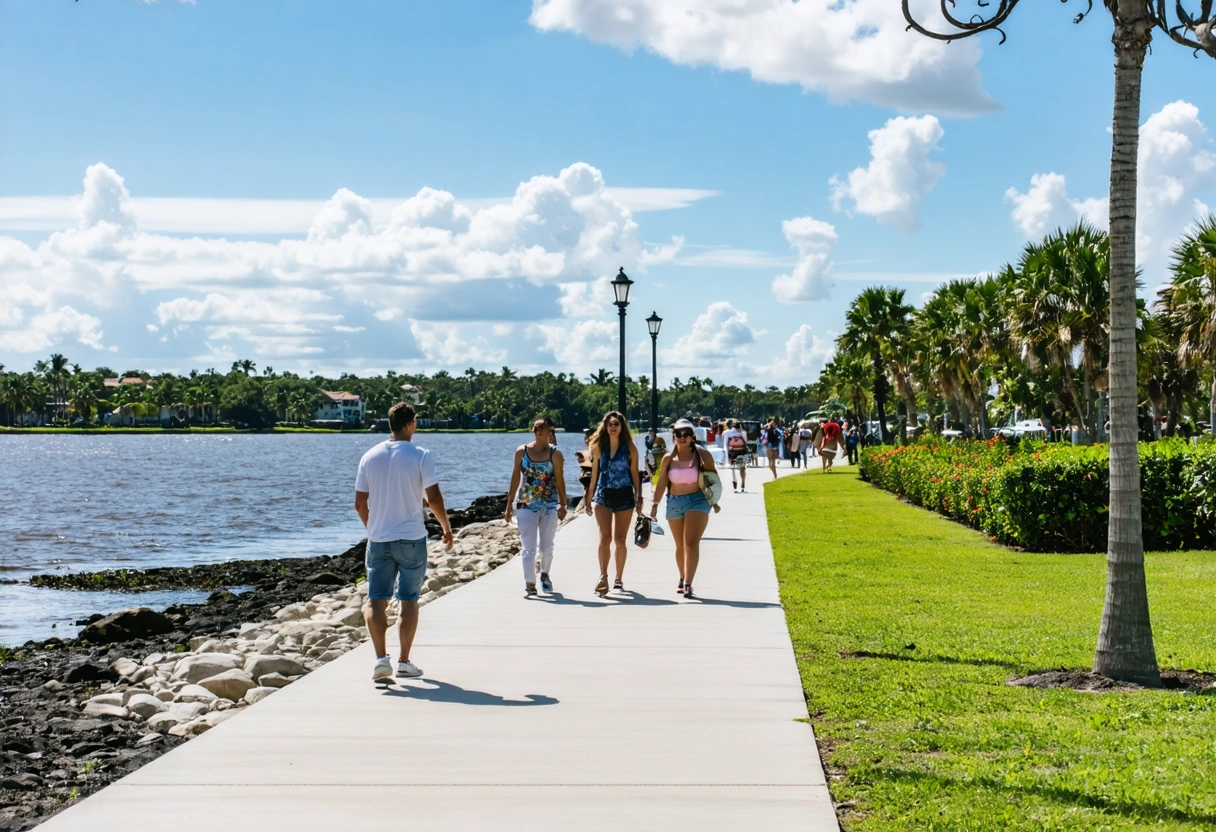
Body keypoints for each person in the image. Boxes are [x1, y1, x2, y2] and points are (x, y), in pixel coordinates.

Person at [355, 402, 453, 683]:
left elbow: (360, 504)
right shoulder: (421, 454)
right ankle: (404, 662)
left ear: (390, 424)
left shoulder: (369, 456)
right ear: (411, 423)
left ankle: (380, 660)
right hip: (411, 538)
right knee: (408, 601)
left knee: (376, 601)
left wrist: (373, 527)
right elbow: (433, 499)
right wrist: (446, 528)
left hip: (379, 539)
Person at [650, 418, 717, 600]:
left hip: (697, 500)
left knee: (690, 543)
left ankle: (688, 583)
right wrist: (655, 505)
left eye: (686, 434)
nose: (682, 437)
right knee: (680, 545)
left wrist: (714, 501)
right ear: (673, 437)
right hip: (674, 501)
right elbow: (662, 481)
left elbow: (713, 479)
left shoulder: (702, 455)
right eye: (678, 434)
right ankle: (682, 577)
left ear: (692, 437)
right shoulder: (668, 458)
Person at [504, 416, 568, 597]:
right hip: (525, 505)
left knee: (547, 546)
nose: (552, 434)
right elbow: (515, 478)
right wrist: (509, 505)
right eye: (549, 431)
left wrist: (563, 503)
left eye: (553, 431)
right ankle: (530, 584)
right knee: (528, 548)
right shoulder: (521, 452)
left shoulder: (556, 455)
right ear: (538, 432)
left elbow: (560, 480)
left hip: (549, 505)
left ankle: (545, 575)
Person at [584, 410, 643, 596]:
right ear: (605, 426)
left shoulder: (630, 448)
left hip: (624, 494)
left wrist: (639, 497)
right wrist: (588, 496)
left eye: (616, 424)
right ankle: (603, 576)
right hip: (603, 494)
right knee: (604, 537)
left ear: (622, 426)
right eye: (610, 424)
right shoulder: (598, 446)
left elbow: (635, 474)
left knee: (620, 539)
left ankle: (618, 578)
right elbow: (594, 474)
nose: (613, 427)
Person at [720, 419, 749, 492]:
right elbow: (745, 442)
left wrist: (726, 456)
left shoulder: (726, 433)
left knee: (733, 468)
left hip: (732, 452)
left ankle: (734, 483)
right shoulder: (743, 432)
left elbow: (725, 445)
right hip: (742, 451)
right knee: (743, 468)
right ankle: (743, 483)